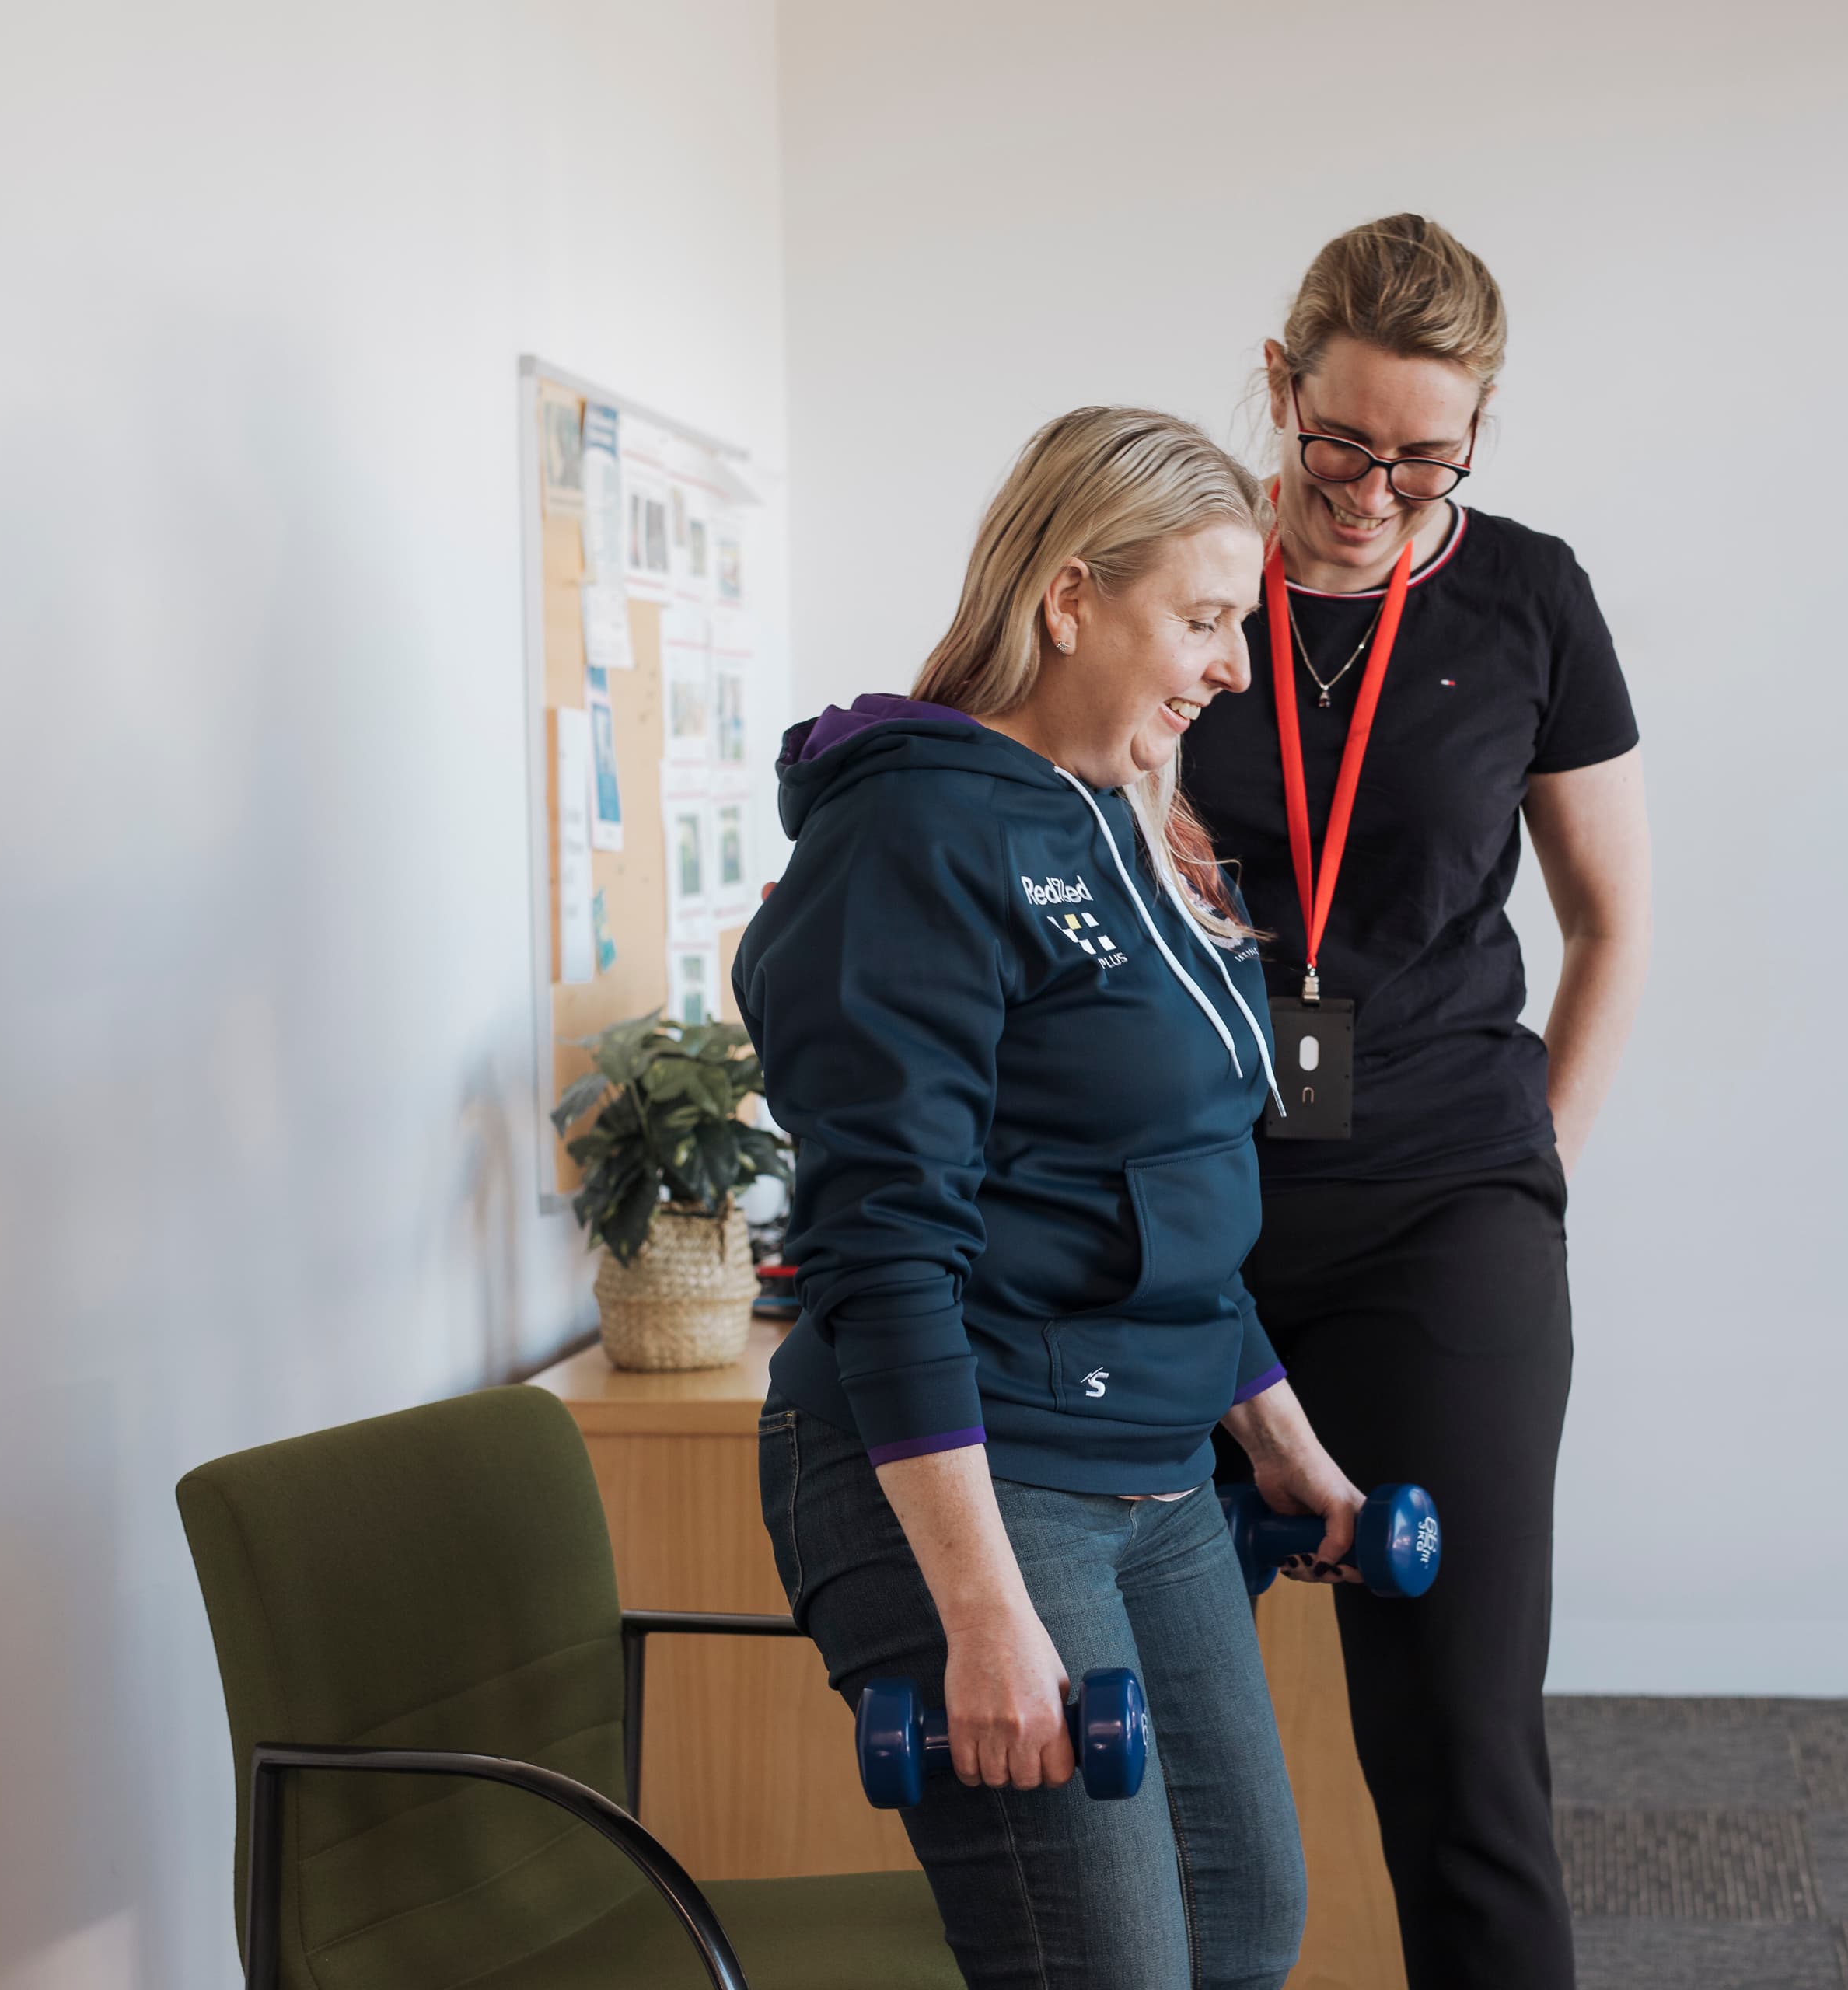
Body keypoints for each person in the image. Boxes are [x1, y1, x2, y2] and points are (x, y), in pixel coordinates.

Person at [735, 407, 1368, 1990]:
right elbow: (882, 1253)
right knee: (1105, 1968)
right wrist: (982, 1611)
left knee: (1246, 1919)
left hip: (1149, 1465)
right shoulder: (913, 829)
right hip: (976, 1470)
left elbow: (1166, 1192)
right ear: (1070, 597)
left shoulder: (1124, 822)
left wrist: (1282, 1445)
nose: (1234, 667)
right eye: (1208, 619)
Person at [1181, 214, 1654, 1988]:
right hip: (1188, 1204)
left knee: (1459, 1750)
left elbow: (1613, 917)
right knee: (1141, 1740)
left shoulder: (1529, 595)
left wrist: (1538, 1167)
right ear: (1281, 383)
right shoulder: (1177, 562)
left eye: (1425, 455)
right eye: (1341, 441)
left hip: (1442, 1202)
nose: (1375, 487)